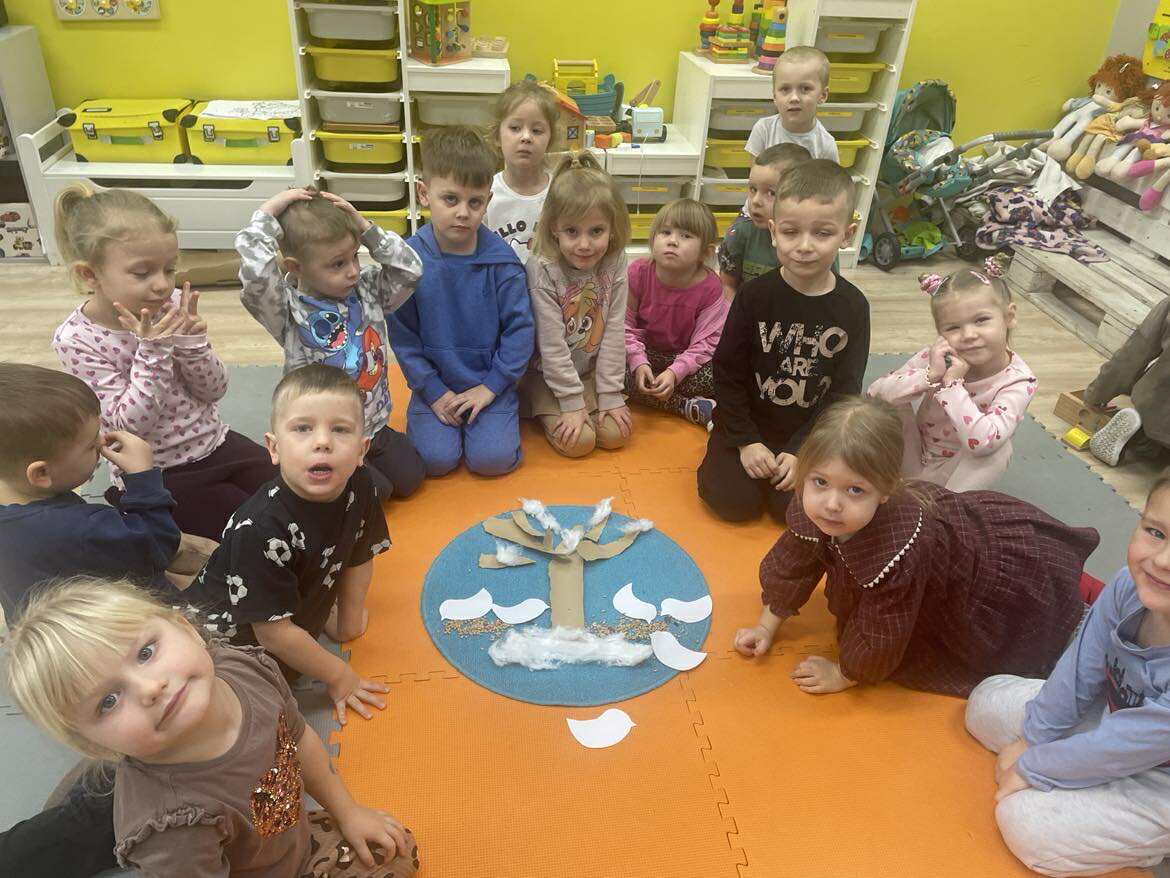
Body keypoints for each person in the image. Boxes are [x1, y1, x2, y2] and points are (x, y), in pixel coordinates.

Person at [4, 577, 419, 878]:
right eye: (108, 702)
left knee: (395, 848)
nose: (150, 688)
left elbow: (300, 738)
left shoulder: (246, 669)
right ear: (90, 744)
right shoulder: (172, 826)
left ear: (185, 628)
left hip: (288, 834)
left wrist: (348, 812)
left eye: (146, 652)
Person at [734, 396, 1099, 697]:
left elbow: (883, 629)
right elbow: (793, 565)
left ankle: (1090, 609)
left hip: (996, 575)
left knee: (1064, 625)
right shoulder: (812, 505)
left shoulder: (899, 547)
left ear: (886, 490)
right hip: (959, 548)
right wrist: (766, 627)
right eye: (820, 482)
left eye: (855, 490)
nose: (831, 504)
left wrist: (845, 673)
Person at [966, 470, 1170, 876]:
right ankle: (1088, 786)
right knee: (984, 705)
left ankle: (1152, 841)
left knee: (1026, 824)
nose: (1162, 561)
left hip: (1160, 778)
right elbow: (1081, 669)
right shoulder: (1128, 586)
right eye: (1156, 533)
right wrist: (1034, 737)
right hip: (1117, 721)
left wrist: (1034, 767)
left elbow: (1129, 746)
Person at [51, 184, 276, 540]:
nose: (162, 285)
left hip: (215, 442)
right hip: (158, 471)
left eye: (169, 269)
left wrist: (192, 344)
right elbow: (130, 426)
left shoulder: (167, 305)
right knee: (251, 533)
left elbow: (214, 390)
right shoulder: (77, 340)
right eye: (142, 273)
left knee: (294, 496)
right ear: (89, 275)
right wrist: (153, 350)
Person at [182, 365, 392, 726]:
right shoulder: (261, 528)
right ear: (274, 448)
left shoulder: (361, 484)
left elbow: (361, 552)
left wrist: (349, 622)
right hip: (230, 642)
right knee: (246, 724)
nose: (322, 442)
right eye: (303, 428)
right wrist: (340, 676)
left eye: (340, 429)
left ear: (362, 450)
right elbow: (273, 634)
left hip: (288, 610)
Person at [698, 159, 869, 522]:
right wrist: (746, 440)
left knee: (790, 511)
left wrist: (802, 450)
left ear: (847, 234)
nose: (804, 246)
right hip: (746, 425)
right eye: (791, 232)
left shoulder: (854, 307)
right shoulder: (754, 296)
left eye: (822, 233)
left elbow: (844, 393)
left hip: (811, 434)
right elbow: (727, 372)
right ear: (774, 232)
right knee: (733, 503)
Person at [235, 187, 425, 500]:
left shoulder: (367, 289)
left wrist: (366, 229)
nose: (353, 271)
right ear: (296, 267)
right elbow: (256, 278)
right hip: (329, 437)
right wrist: (266, 216)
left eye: (354, 257)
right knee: (378, 492)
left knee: (412, 476)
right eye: (337, 264)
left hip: (374, 424)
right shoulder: (286, 309)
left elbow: (411, 270)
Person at [387, 126, 535, 477]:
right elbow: (404, 338)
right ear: (424, 194)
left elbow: (520, 331)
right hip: (434, 386)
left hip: (490, 384)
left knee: (492, 460)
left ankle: (497, 419)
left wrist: (491, 388)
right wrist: (433, 391)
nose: (463, 212)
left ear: (488, 200)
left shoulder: (503, 264)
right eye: (450, 199)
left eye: (475, 202)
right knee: (434, 461)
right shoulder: (408, 263)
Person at [0, 363, 193, 620]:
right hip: (126, 629)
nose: (102, 442)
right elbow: (158, 544)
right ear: (41, 473)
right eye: (91, 445)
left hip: (48, 630)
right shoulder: (76, 528)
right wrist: (143, 477)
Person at [866, 255, 1036, 492]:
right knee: (889, 403)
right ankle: (888, 487)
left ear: (1009, 317)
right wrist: (930, 375)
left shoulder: (1018, 381)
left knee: (999, 450)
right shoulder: (939, 357)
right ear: (940, 332)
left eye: (981, 320)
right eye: (953, 327)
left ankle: (940, 509)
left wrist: (952, 385)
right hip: (909, 459)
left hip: (954, 478)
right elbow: (875, 393)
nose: (968, 335)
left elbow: (982, 443)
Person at [521, 152, 633, 457]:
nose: (584, 245)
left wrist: (610, 393)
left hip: (589, 374)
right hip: (547, 378)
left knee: (616, 436)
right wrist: (571, 403)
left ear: (612, 228)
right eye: (572, 231)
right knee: (580, 443)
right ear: (554, 228)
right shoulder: (542, 268)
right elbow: (551, 345)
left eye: (596, 231)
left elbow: (614, 332)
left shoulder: (615, 261)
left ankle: (590, 401)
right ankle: (540, 407)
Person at [625, 198, 727, 430]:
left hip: (684, 360)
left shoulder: (711, 286)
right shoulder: (638, 272)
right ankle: (687, 406)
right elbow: (624, 327)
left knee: (721, 375)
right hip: (643, 354)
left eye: (686, 235)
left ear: (705, 252)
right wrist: (638, 363)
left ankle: (667, 394)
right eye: (665, 232)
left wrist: (675, 372)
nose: (672, 241)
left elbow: (706, 343)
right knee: (610, 371)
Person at [1083, 296, 1170, 467]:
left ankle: (1140, 437)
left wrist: (1097, 394)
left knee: (1154, 430)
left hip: (1159, 410)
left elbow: (1134, 354)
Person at [717, 143, 811, 299]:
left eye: (771, 193)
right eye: (753, 189)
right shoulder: (739, 233)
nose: (756, 201)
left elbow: (827, 290)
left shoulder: (815, 243)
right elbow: (727, 285)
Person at [485, 80, 560, 264]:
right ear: (497, 136)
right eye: (515, 128)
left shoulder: (560, 192)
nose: (526, 137)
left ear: (550, 139)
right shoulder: (486, 193)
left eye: (537, 130)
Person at [745, 45, 839, 163]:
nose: (794, 98)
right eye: (785, 89)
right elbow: (755, 172)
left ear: (823, 95)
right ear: (775, 96)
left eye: (805, 88)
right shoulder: (763, 130)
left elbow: (830, 175)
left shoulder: (826, 145)